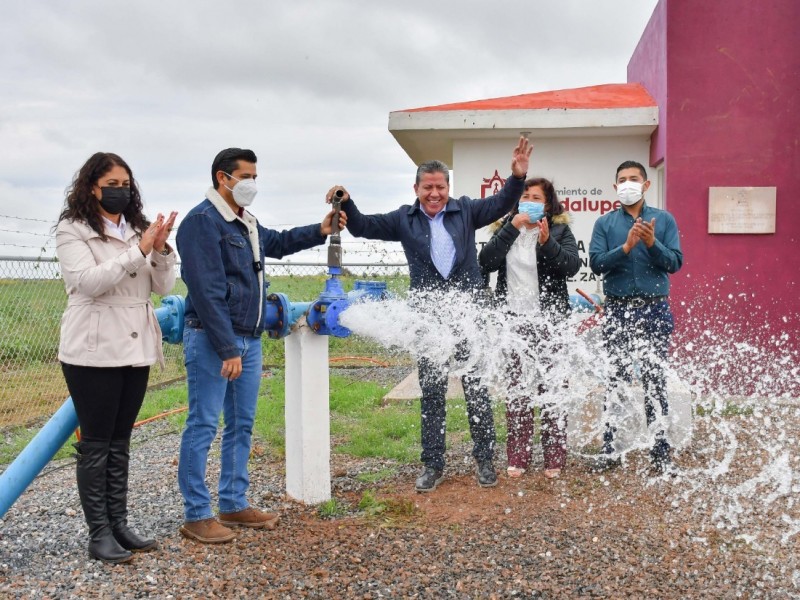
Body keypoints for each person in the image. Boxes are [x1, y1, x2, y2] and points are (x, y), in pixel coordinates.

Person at [327, 137, 532, 492]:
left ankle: (485, 460)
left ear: (448, 188)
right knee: (433, 391)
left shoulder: (466, 210)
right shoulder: (403, 220)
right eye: (427, 187)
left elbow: (502, 203)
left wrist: (516, 177)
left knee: (476, 388)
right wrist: (347, 200)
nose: (434, 193)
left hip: (468, 313)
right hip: (428, 318)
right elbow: (363, 226)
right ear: (416, 188)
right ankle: (432, 464)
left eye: (440, 187)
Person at [176, 148, 347, 544]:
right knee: (203, 424)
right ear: (224, 177)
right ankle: (196, 514)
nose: (252, 183)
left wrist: (319, 230)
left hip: (248, 340)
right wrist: (226, 348)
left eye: (255, 176)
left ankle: (233, 502)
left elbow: (279, 242)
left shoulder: (245, 222)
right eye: (246, 176)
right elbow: (206, 291)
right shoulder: (202, 222)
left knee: (241, 424)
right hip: (214, 339)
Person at [55, 152, 177, 564]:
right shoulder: (73, 230)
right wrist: (137, 251)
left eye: (126, 183)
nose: (120, 190)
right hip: (92, 348)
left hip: (136, 343)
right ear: (92, 186)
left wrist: (159, 250)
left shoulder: (139, 229)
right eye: (112, 183)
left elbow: (164, 286)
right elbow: (88, 283)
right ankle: (99, 533)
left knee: (121, 439)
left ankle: (120, 523)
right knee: (97, 442)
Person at [479, 177, 580, 479]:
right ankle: (518, 458)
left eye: (537, 198)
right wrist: (512, 228)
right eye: (525, 196)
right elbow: (485, 261)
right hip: (513, 323)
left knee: (552, 391)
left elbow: (571, 267)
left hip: (551, 322)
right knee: (518, 391)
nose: (530, 202)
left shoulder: (560, 230)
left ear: (548, 205)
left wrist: (547, 243)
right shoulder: (504, 229)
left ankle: (554, 459)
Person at [589, 160, 683, 472]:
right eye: (622, 180)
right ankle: (609, 450)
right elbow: (597, 263)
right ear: (615, 187)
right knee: (615, 380)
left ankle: (660, 452)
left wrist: (651, 243)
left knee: (655, 382)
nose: (628, 184)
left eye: (634, 179)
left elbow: (675, 263)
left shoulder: (663, 220)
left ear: (646, 185)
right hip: (617, 310)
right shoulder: (605, 224)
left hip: (654, 309)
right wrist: (627, 247)